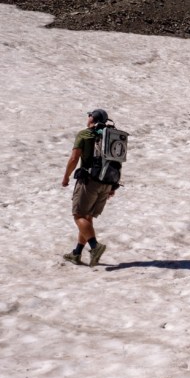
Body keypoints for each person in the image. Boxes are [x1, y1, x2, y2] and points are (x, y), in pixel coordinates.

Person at [61, 108, 117, 267]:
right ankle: (77, 253)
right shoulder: (111, 135)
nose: (88, 117)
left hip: (89, 181)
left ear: (92, 118)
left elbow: (74, 158)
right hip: (107, 181)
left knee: (78, 215)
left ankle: (95, 246)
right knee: (87, 218)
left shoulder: (84, 134)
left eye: (89, 115)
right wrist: (112, 186)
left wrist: (66, 176)